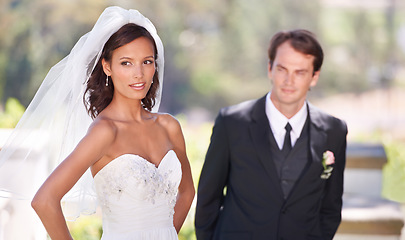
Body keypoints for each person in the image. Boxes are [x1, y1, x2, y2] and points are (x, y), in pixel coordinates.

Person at [0, 6, 194, 240]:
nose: (139, 74)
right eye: (126, 63)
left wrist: (167, 234)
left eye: (147, 61)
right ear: (107, 67)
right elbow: (44, 200)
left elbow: (187, 192)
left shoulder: (169, 126)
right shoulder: (105, 131)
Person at [195, 29, 347, 240]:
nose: (289, 80)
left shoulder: (334, 131)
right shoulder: (231, 123)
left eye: (300, 72)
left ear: (314, 77)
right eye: (282, 69)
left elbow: (331, 206)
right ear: (270, 69)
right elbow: (207, 199)